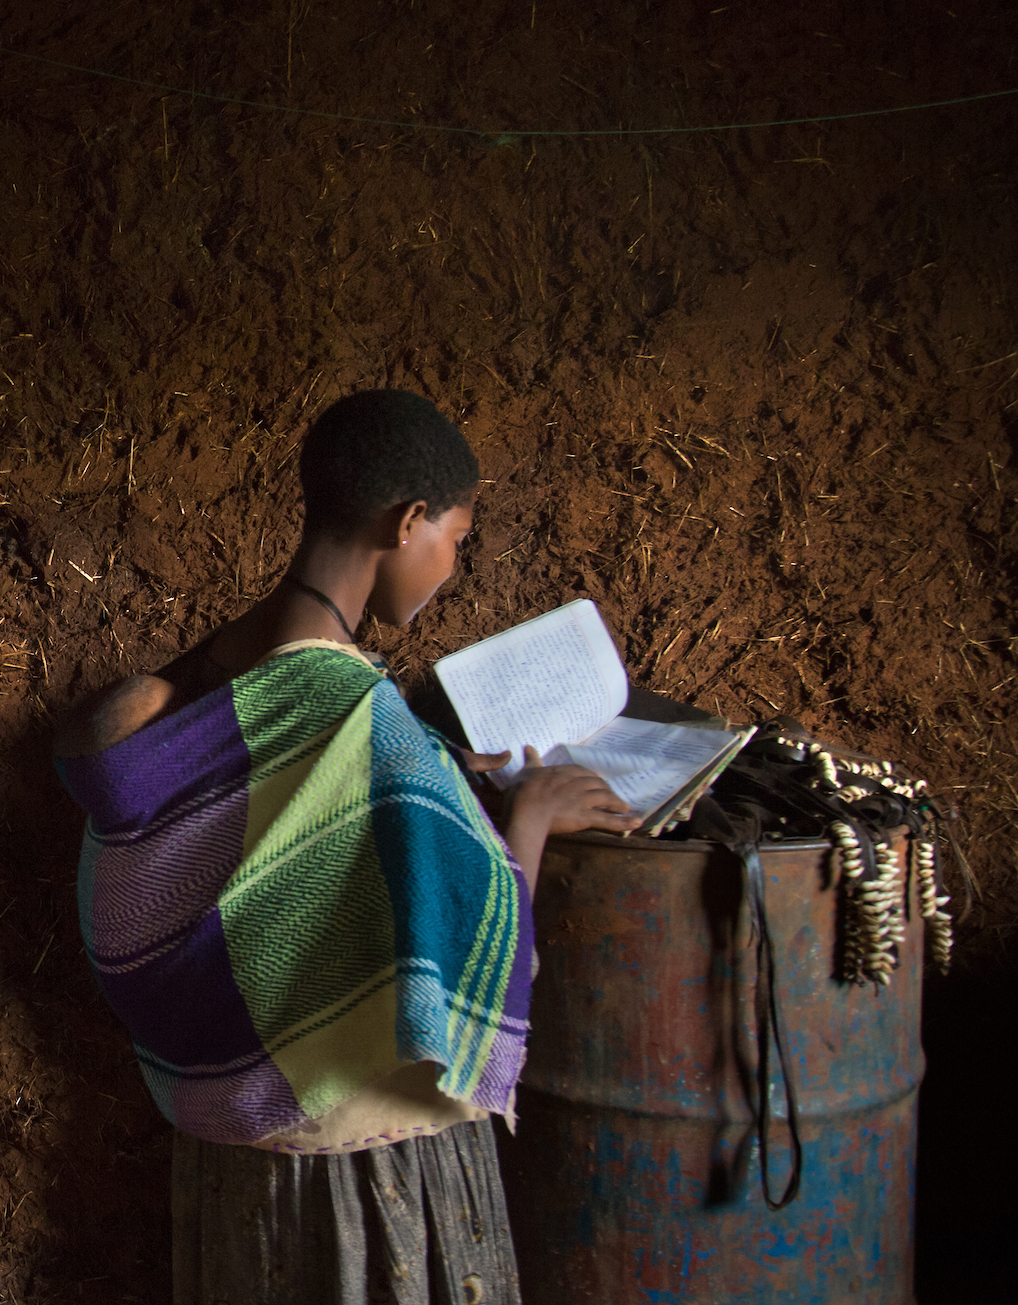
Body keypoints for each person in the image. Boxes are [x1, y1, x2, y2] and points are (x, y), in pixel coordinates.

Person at [52, 389, 635, 1305]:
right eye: (457, 537)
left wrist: (429, 768)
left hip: (230, 1157)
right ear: (409, 522)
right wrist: (531, 818)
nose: (452, 564)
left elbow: (253, 837)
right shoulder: (366, 722)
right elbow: (464, 931)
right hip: (358, 1160)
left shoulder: (202, 676)